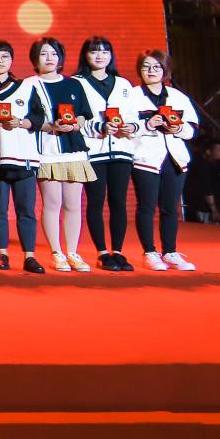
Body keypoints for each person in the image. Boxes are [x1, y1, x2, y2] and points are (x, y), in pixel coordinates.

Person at [116, 49, 201, 271]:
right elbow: (124, 127)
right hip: (145, 158)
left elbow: (192, 128)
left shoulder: (178, 96)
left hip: (175, 159)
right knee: (146, 206)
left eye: (156, 67)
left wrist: (178, 128)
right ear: (139, 71)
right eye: (146, 67)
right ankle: (150, 252)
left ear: (165, 69)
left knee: (170, 208)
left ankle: (170, 251)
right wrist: (147, 124)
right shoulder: (132, 96)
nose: (151, 71)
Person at [0, 39, 46, 274]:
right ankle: (2, 253)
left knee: (26, 209)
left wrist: (21, 122)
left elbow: (39, 117)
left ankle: (29, 256)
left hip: (23, 156)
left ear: (12, 59)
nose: (0, 61)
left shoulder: (26, 87)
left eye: (4, 56)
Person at [29, 37, 95, 273]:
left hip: (73, 149)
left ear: (60, 58)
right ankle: (56, 253)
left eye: (54, 54)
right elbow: (30, 120)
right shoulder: (30, 85)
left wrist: (76, 124)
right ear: (35, 59)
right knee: (52, 203)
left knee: (74, 204)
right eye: (44, 54)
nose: (49, 58)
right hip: (46, 150)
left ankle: (73, 252)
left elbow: (84, 114)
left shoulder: (74, 84)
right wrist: (51, 126)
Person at [76, 36, 138, 271]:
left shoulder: (123, 84)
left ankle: (118, 252)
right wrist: (99, 127)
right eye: (94, 51)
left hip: (121, 150)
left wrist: (131, 127)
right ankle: (102, 252)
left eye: (104, 51)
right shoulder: (77, 83)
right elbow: (76, 119)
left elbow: (133, 115)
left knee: (118, 201)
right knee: (95, 201)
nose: (100, 56)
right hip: (93, 151)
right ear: (85, 55)